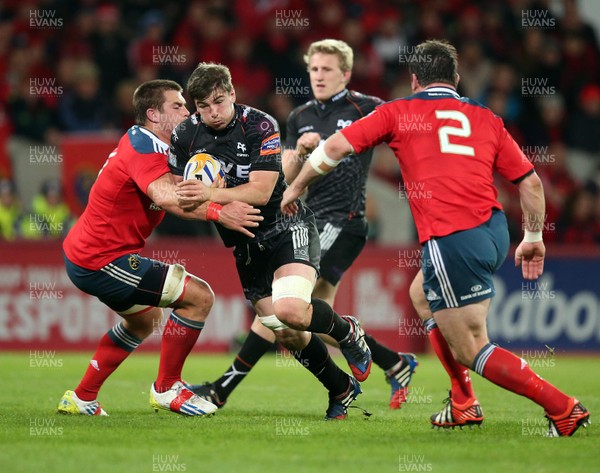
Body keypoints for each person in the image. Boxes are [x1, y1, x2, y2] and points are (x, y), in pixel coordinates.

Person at [281, 40, 590, 437]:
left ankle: (562, 407)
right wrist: (533, 237)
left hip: (451, 237)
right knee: (421, 296)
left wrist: (296, 187)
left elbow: (335, 147)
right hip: (494, 231)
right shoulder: (485, 116)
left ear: (413, 81)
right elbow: (529, 182)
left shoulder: (398, 111)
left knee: (472, 346)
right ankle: (463, 402)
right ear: (456, 79)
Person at [188, 39, 418, 411]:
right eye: (314, 69)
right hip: (309, 216)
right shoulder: (299, 118)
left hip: (344, 221)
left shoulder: (367, 107)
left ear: (345, 73)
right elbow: (286, 174)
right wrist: (301, 153)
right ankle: (392, 361)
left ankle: (222, 389)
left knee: (288, 308)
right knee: (306, 318)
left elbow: (406, 139)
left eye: (327, 69)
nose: (319, 76)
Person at [172, 62, 372, 419]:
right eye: (203, 106)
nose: (213, 113)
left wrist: (208, 194)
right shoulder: (185, 135)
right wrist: (206, 205)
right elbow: (175, 197)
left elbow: (263, 192)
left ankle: (348, 331)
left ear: (232, 94)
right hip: (245, 244)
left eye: (219, 101)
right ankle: (341, 388)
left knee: (291, 310)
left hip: (285, 227)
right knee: (288, 333)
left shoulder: (260, 124)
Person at [57, 79, 262, 417]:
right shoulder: (142, 143)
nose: (187, 110)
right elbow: (166, 196)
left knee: (144, 321)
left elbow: (180, 187)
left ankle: (80, 398)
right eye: (178, 105)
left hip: (92, 254)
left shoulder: (165, 148)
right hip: (100, 257)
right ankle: (167, 388)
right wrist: (220, 212)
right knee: (200, 297)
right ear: (153, 114)